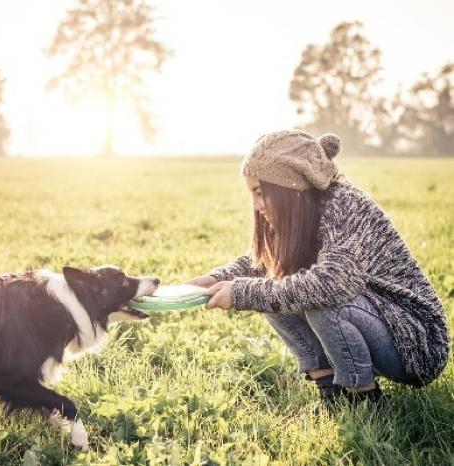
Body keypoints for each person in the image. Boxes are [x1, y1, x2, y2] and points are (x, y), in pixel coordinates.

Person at [188, 129, 449, 406]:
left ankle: (365, 401)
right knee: (271, 290)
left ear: (288, 187)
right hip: (375, 321)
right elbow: (262, 262)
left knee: (321, 302)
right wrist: (215, 278)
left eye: (260, 193)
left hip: (415, 342)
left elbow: (331, 285)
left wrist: (242, 293)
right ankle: (331, 394)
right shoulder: (302, 210)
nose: (256, 205)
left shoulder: (346, 205)